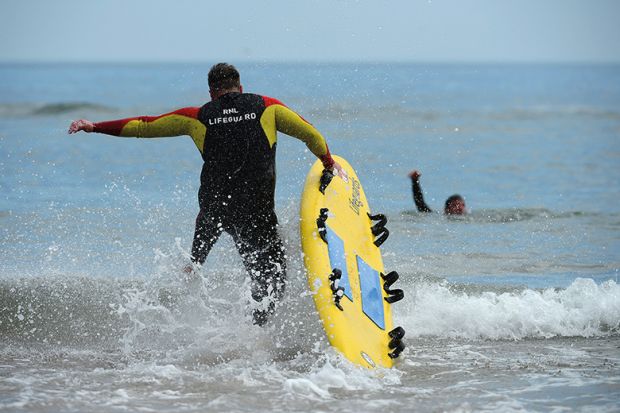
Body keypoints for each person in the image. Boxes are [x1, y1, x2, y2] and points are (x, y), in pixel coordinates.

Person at [68, 63, 343, 326]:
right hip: (256, 210)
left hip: (215, 210)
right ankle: (256, 332)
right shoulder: (267, 107)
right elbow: (312, 136)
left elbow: (144, 126)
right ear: (240, 87)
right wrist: (329, 163)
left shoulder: (198, 115)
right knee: (272, 279)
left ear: (212, 92)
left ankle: (195, 264)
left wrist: (95, 127)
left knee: (210, 230)